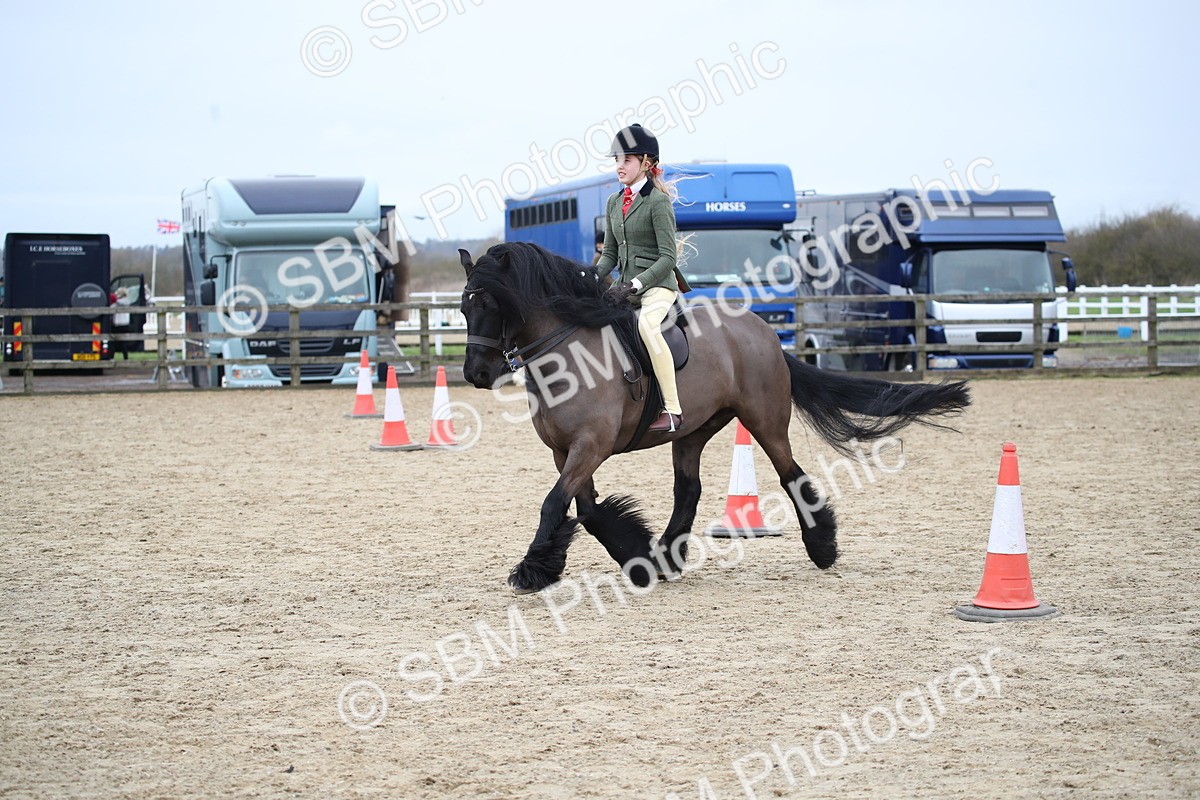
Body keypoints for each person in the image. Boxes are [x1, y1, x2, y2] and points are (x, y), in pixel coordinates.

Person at [595, 123, 691, 432]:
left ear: (646, 163)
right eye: (617, 160)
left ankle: (673, 410)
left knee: (648, 328)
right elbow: (609, 255)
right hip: (625, 288)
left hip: (657, 286)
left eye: (627, 160)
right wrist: (589, 276)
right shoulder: (613, 202)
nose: (619, 166)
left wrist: (636, 283)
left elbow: (668, 258)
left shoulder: (658, 202)